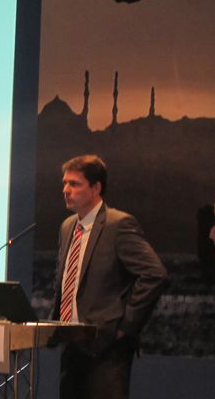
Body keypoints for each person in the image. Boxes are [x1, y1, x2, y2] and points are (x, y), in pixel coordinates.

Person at [50, 154, 167, 399]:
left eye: (74, 184)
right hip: (71, 347)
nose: (66, 190)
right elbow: (64, 278)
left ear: (96, 187)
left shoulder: (118, 225)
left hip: (106, 349)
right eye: (65, 183)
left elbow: (154, 274)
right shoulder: (67, 226)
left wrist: (126, 326)